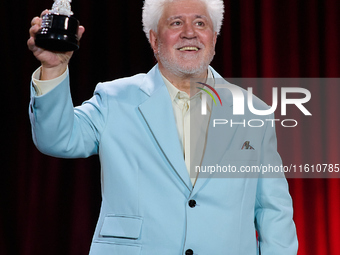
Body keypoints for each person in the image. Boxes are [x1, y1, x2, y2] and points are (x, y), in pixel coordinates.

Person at [28, 0, 298, 254]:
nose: (190, 33)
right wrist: (53, 69)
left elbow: (274, 210)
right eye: (176, 23)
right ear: (155, 40)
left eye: (201, 23)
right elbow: (56, 139)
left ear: (214, 39)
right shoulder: (114, 99)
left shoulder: (254, 112)